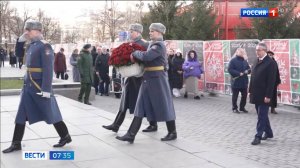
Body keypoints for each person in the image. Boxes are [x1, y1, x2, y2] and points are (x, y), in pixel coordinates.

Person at [2, 20, 72, 153]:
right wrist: (20, 41)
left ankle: (65, 135)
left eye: (29, 30)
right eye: (26, 30)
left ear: (38, 31)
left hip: (39, 86)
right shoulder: (31, 45)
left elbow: (48, 68)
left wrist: (46, 89)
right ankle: (16, 143)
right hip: (28, 85)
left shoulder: (44, 46)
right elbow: (18, 55)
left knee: (50, 112)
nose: (27, 32)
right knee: (21, 114)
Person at [116, 23, 177, 143]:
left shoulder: (158, 45)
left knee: (164, 105)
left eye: (152, 31)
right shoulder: (152, 44)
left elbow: (147, 57)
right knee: (140, 106)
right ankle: (131, 134)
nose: (150, 33)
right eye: (150, 31)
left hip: (158, 80)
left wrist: (134, 53)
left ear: (159, 32)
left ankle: (172, 132)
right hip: (148, 78)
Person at [102, 23, 157, 133]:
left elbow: (148, 59)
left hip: (139, 78)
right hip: (129, 78)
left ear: (138, 32)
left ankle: (153, 124)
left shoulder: (146, 44)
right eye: (129, 31)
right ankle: (115, 125)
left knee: (141, 103)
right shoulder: (129, 44)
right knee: (124, 102)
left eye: (131, 31)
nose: (129, 33)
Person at [249, 42, 277, 145]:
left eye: (259, 50)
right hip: (256, 93)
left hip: (265, 95)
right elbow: (253, 77)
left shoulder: (271, 63)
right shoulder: (256, 61)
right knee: (262, 115)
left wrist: (268, 96)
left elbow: (271, 81)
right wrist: (250, 90)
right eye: (256, 50)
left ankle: (258, 136)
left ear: (264, 50)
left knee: (261, 116)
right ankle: (269, 133)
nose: (257, 52)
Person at [228, 48, 251, 113]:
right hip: (236, 82)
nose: (241, 53)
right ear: (237, 52)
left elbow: (249, 69)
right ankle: (234, 108)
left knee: (244, 96)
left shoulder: (245, 61)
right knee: (235, 96)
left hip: (244, 82)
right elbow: (230, 69)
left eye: (242, 52)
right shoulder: (233, 61)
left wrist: (248, 71)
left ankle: (242, 107)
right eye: (240, 52)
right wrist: (238, 73)